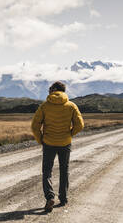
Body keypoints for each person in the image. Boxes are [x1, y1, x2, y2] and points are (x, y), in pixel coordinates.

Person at [31, 81, 84, 213]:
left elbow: (35, 126)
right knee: (64, 170)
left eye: (50, 89)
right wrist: (70, 134)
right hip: (65, 143)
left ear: (54, 89)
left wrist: (41, 139)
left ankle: (49, 197)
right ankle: (63, 198)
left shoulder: (44, 106)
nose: (48, 90)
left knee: (47, 171)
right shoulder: (71, 105)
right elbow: (80, 124)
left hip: (49, 143)